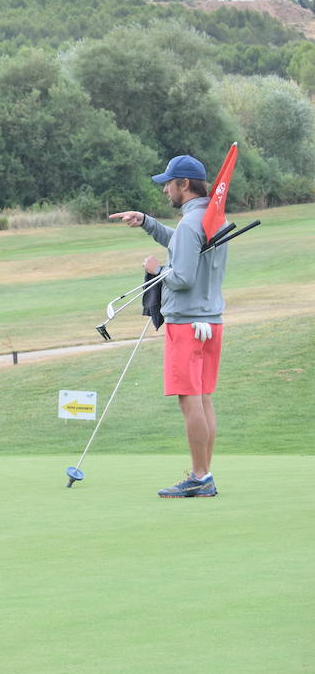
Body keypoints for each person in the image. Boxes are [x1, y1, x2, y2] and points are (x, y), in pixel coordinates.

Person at [109, 154, 228, 498]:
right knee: (203, 399)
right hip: (210, 322)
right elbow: (183, 244)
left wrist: (156, 269)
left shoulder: (193, 224)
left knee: (188, 400)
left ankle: (200, 476)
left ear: (184, 185)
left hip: (186, 324)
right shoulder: (211, 218)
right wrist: (146, 221)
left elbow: (183, 277)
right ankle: (203, 474)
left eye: (169, 183)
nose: (165, 190)